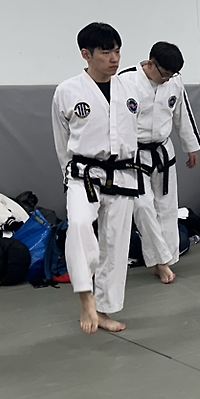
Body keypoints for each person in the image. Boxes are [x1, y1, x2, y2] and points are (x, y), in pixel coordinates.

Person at [52, 22, 143, 335]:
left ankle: (104, 310)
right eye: (106, 52)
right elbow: (61, 140)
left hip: (124, 172)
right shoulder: (67, 91)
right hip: (83, 174)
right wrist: (68, 175)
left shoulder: (130, 89)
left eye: (117, 51)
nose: (114, 58)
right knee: (78, 226)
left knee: (115, 243)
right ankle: (86, 297)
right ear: (86, 54)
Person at [123, 42, 200, 284]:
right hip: (133, 154)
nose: (168, 79)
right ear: (150, 63)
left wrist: (191, 147)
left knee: (167, 208)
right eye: (165, 74)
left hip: (163, 152)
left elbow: (182, 114)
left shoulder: (174, 82)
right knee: (143, 207)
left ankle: (165, 260)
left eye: (172, 75)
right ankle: (160, 261)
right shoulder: (125, 81)